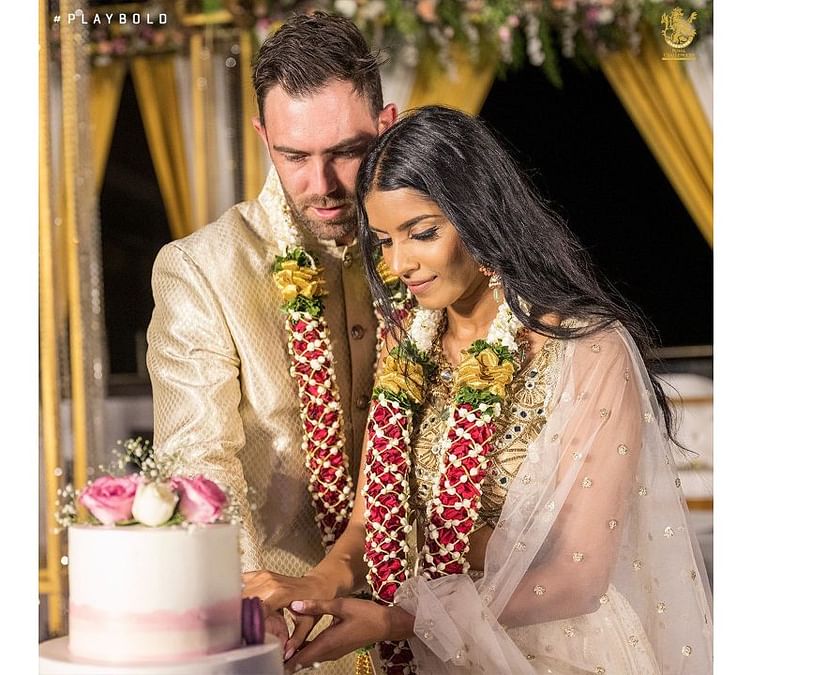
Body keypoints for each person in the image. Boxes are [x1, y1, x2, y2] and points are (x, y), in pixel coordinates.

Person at [265, 106, 713, 674]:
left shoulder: (587, 350)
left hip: (554, 654)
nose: (400, 263)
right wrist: (313, 590)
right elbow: (368, 522)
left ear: (480, 214)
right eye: (383, 241)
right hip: (426, 652)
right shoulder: (410, 342)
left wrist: (402, 618)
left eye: (422, 233)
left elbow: (579, 577)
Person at [145, 13, 396, 673]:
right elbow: (200, 461)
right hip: (291, 634)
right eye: (294, 156)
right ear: (263, 137)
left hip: (437, 610)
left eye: (347, 150)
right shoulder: (202, 268)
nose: (323, 184)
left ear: (388, 123)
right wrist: (261, 605)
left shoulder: (430, 248)